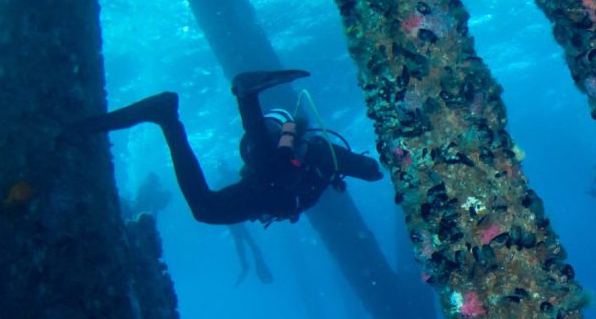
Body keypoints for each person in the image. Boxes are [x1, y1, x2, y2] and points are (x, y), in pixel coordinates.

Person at [77, 70, 383, 225]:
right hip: (268, 189)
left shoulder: (314, 150)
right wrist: (352, 168)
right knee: (210, 206)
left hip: (260, 187)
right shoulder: (320, 150)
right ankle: (236, 98)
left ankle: (172, 115)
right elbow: (371, 172)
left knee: (208, 206)